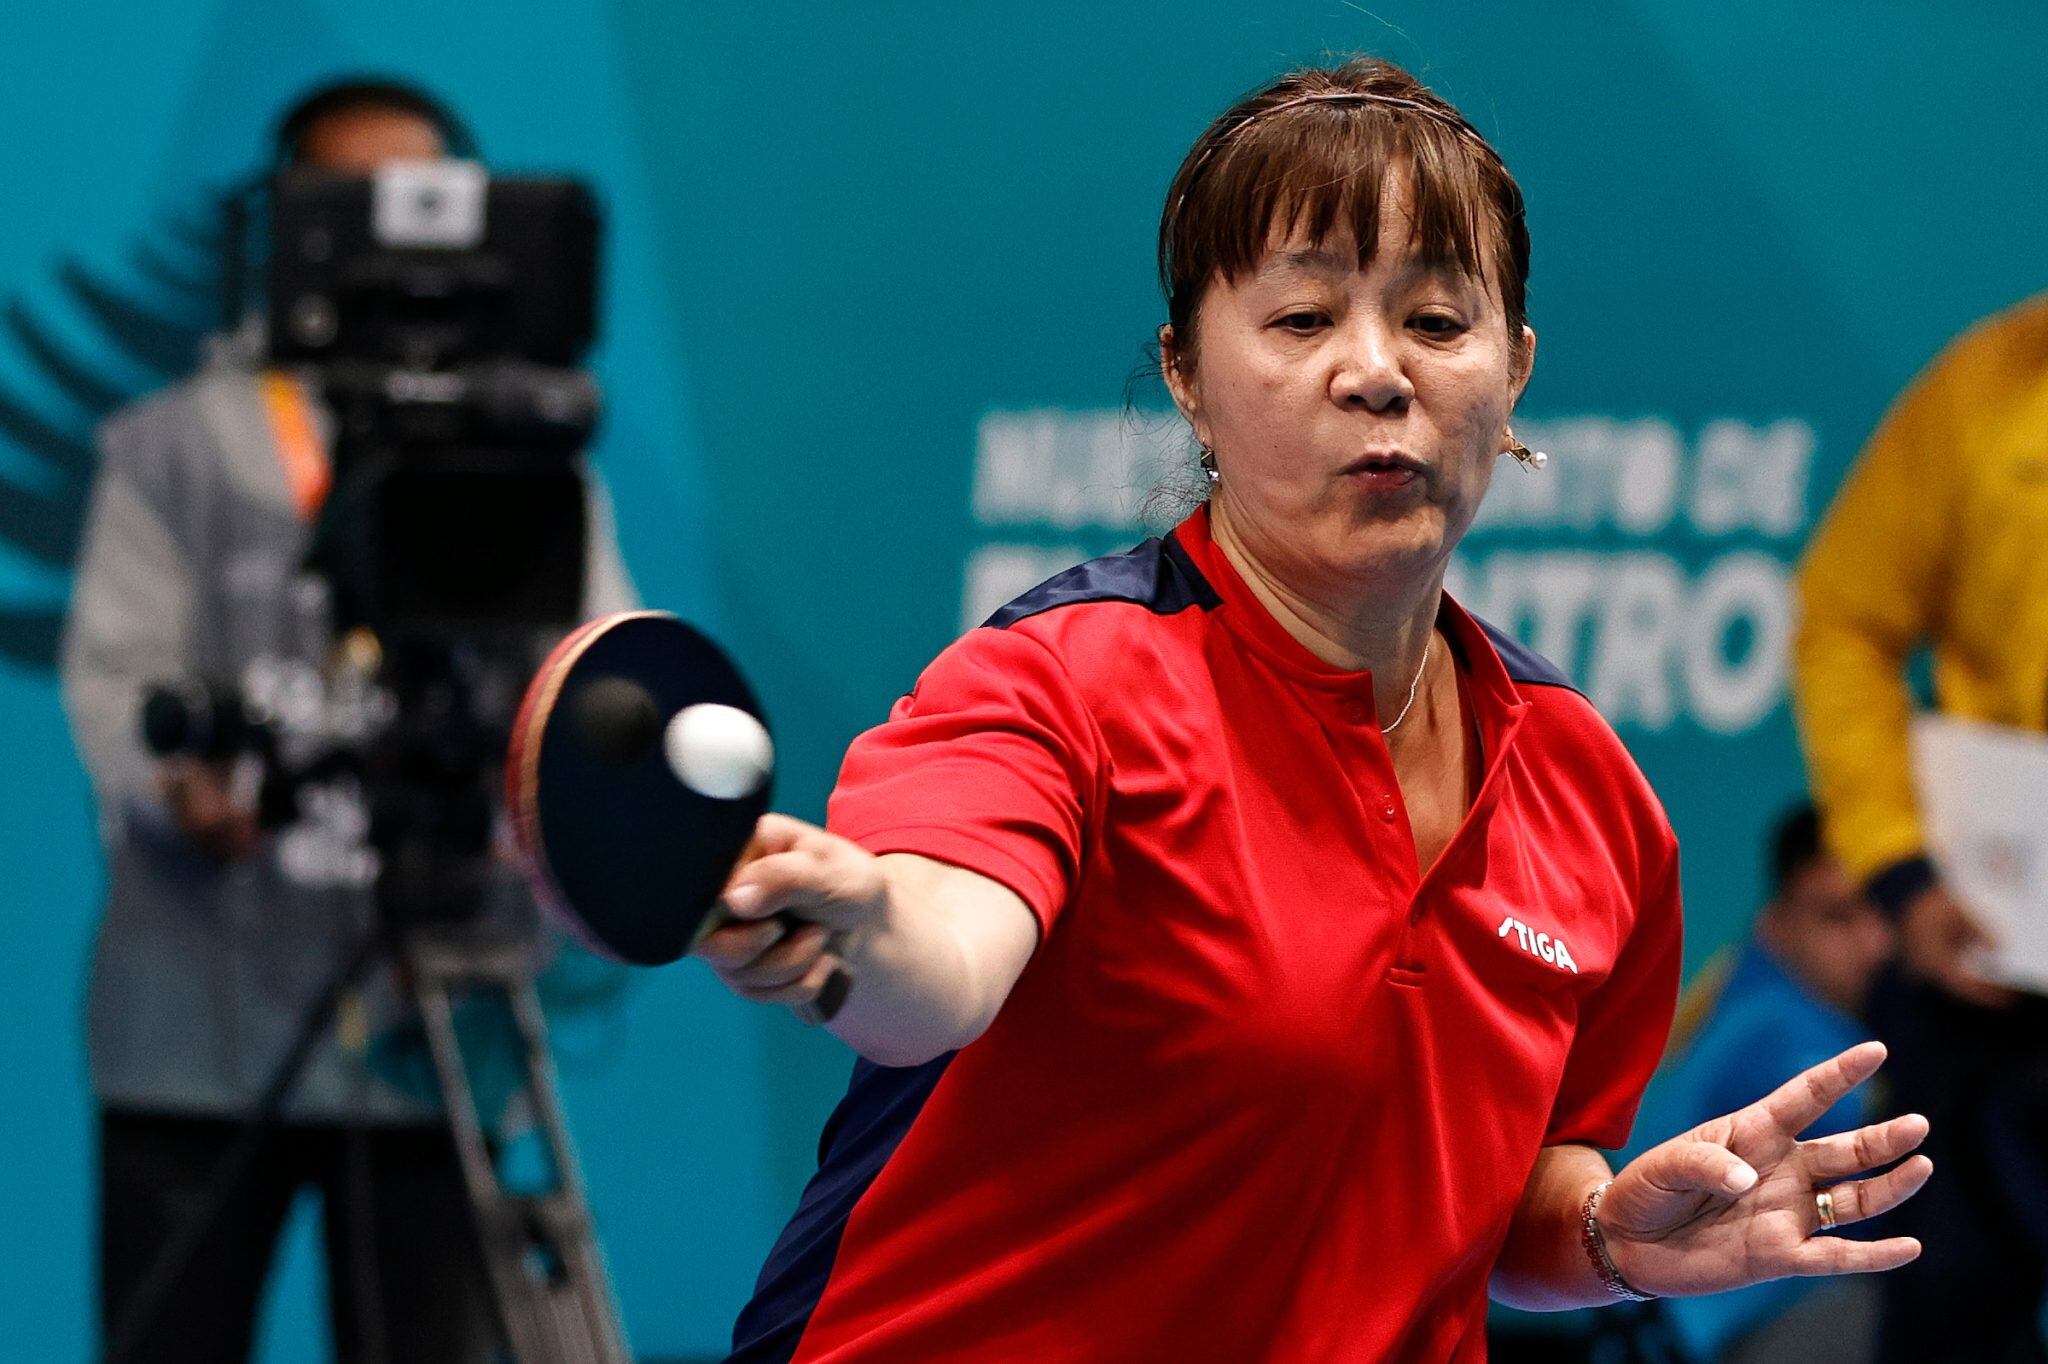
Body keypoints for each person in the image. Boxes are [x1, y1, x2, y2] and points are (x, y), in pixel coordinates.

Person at [700, 59, 1932, 1362]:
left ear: (1513, 367)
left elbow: (1497, 1197)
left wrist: (1613, 1241)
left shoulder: (1590, 792)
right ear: (1187, 374)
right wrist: (859, 929)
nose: (1375, 373)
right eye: (1300, 321)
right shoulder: (1060, 681)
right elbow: (938, 972)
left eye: (1438, 322)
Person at [60, 78, 635, 1364]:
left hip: (440, 1025)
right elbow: (111, 677)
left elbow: (602, 675)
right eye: (352, 206)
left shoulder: (531, 452)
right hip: (197, 1036)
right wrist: (176, 787)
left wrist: (553, 809)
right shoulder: (176, 445)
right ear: (290, 232)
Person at [1794, 294, 2048, 1362]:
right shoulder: (1987, 384)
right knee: (1940, 1299)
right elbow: (1842, 617)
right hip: (1992, 950)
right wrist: (1903, 869)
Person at [1620, 805, 1896, 1363]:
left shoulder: (1743, 984)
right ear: (1778, 923)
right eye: (1836, 917)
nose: (1873, 943)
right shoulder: (1773, 1027)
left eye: (1882, 910)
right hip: (1718, 1322)